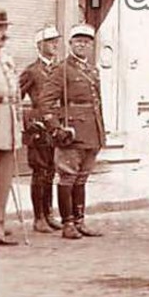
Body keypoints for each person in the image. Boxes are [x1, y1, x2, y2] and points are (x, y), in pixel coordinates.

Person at [40, 24, 106, 239]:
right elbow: (45, 101)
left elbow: (98, 104)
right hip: (72, 132)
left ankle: (80, 221)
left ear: (91, 45)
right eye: (77, 41)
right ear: (70, 44)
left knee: (82, 179)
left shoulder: (92, 70)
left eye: (86, 42)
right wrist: (56, 128)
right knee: (68, 177)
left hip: (92, 132)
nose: (81, 44)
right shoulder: (62, 69)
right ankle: (68, 223)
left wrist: (101, 132)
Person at [19, 25, 62, 233]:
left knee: (51, 172)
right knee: (39, 171)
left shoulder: (59, 69)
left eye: (56, 41)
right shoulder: (32, 71)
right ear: (39, 45)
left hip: (55, 126)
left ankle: (48, 213)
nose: (55, 45)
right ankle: (38, 218)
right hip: (38, 128)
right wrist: (28, 122)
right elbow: (15, 98)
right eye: (50, 41)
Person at [0, 9, 22, 246]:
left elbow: (16, 93)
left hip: (8, 121)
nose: (2, 33)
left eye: (4, 28)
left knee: (4, 176)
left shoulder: (6, 56)